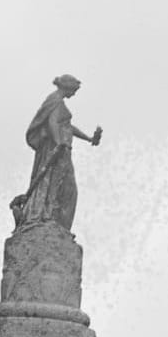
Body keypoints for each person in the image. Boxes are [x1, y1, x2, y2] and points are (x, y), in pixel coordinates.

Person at [17, 74, 101, 231]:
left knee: (65, 187)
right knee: (59, 184)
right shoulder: (55, 100)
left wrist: (89, 138)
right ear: (67, 87)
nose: (74, 93)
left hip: (61, 149)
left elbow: (67, 126)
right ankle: (47, 215)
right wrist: (58, 143)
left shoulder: (58, 102)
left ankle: (55, 220)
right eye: (74, 90)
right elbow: (52, 122)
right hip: (57, 151)